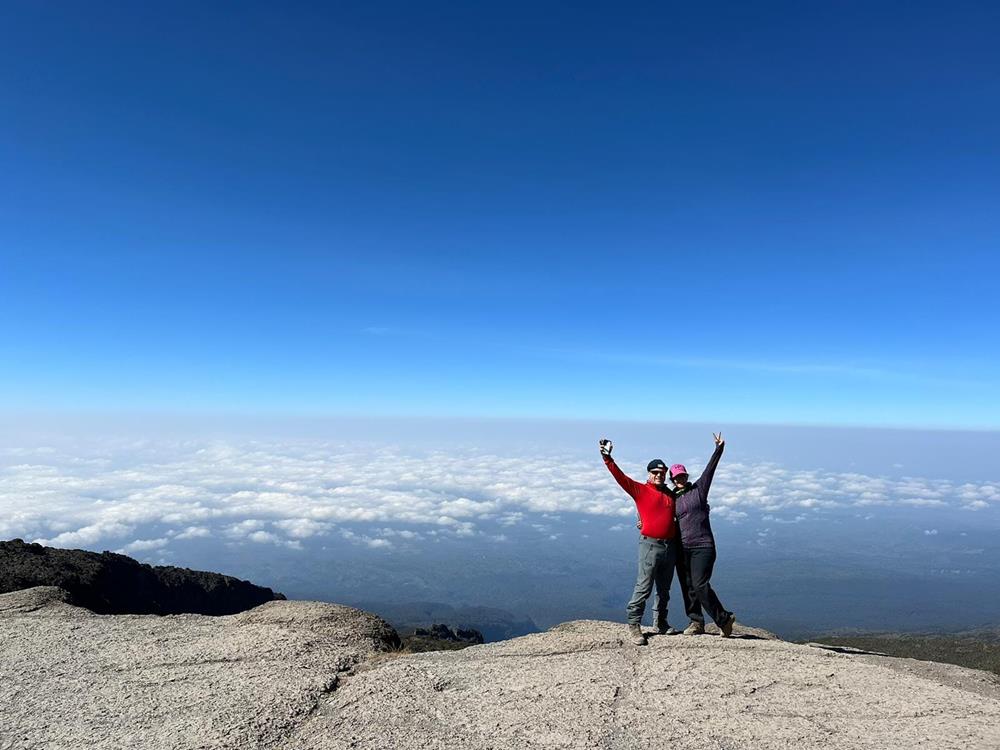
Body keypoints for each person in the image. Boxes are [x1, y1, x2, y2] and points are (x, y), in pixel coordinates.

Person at [599, 438, 680, 646]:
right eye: (655, 473)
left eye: (662, 473)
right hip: (650, 545)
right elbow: (620, 477)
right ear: (649, 474)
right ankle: (634, 625)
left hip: (669, 546)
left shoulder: (670, 494)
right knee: (644, 587)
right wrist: (607, 458)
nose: (659, 476)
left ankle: (660, 623)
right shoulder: (640, 490)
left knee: (664, 589)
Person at [670, 432, 736, 637]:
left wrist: (719, 449)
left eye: (683, 475)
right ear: (672, 479)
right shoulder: (670, 499)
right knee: (688, 586)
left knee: (699, 584)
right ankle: (696, 622)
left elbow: (710, 470)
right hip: (682, 548)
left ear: (686, 476)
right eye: (677, 476)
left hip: (702, 546)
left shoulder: (698, 490)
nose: (680, 479)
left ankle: (723, 618)